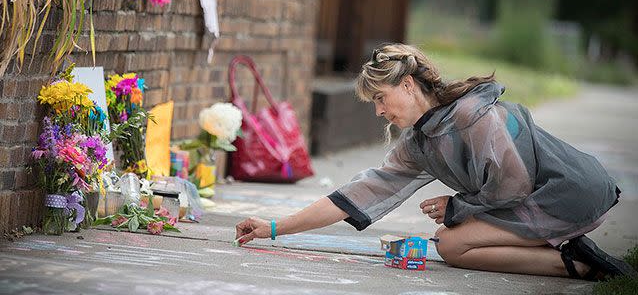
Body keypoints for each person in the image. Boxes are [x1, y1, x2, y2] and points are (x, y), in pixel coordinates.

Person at [234, 43, 636, 280]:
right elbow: (355, 193)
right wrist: (275, 227)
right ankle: (579, 260)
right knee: (451, 242)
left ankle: (578, 261)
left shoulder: (474, 116)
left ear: (407, 86)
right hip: (544, 199)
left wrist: (457, 206)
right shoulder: (421, 140)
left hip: (572, 192)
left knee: (449, 239)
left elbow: (512, 186)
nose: (378, 111)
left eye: (380, 99)